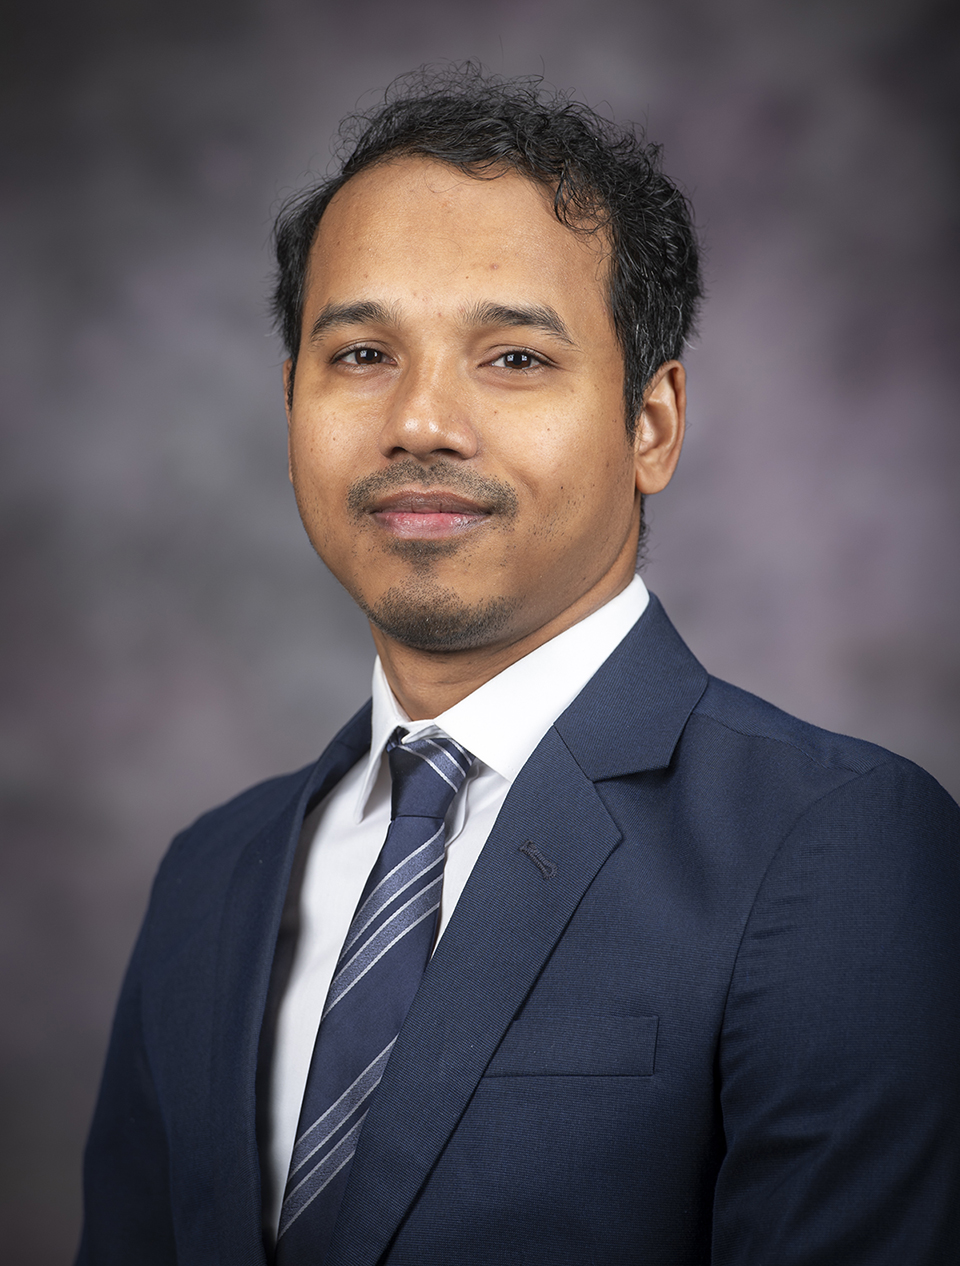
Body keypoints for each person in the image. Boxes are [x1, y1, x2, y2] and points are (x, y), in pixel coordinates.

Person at [77, 68, 960, 1266]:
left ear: (652, 425)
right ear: (290, 407)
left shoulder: (840, 845)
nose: (421, 423)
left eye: (514, 359)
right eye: (362, 354)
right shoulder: (210, 875)